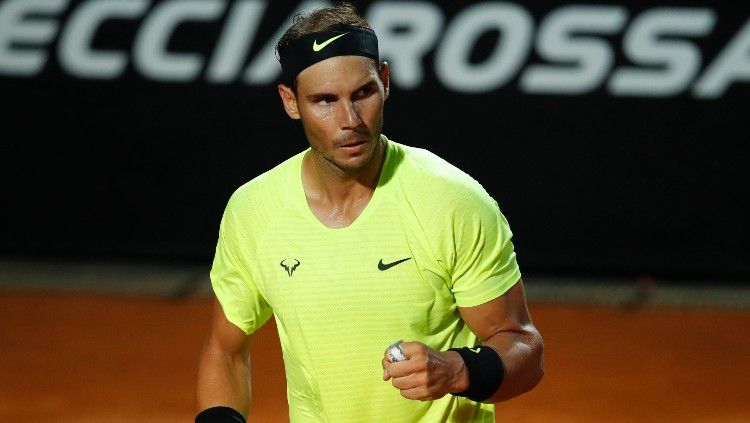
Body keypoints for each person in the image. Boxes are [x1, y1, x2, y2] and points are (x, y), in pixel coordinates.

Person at [195, 3, 543, 422]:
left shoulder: (454, 203)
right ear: (291, 102)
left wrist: (457, 370)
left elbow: (523, 348)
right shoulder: (253, 211)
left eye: (363, 93)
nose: (351, 120)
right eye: (325, 100)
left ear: (386, 82)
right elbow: (225, 352)